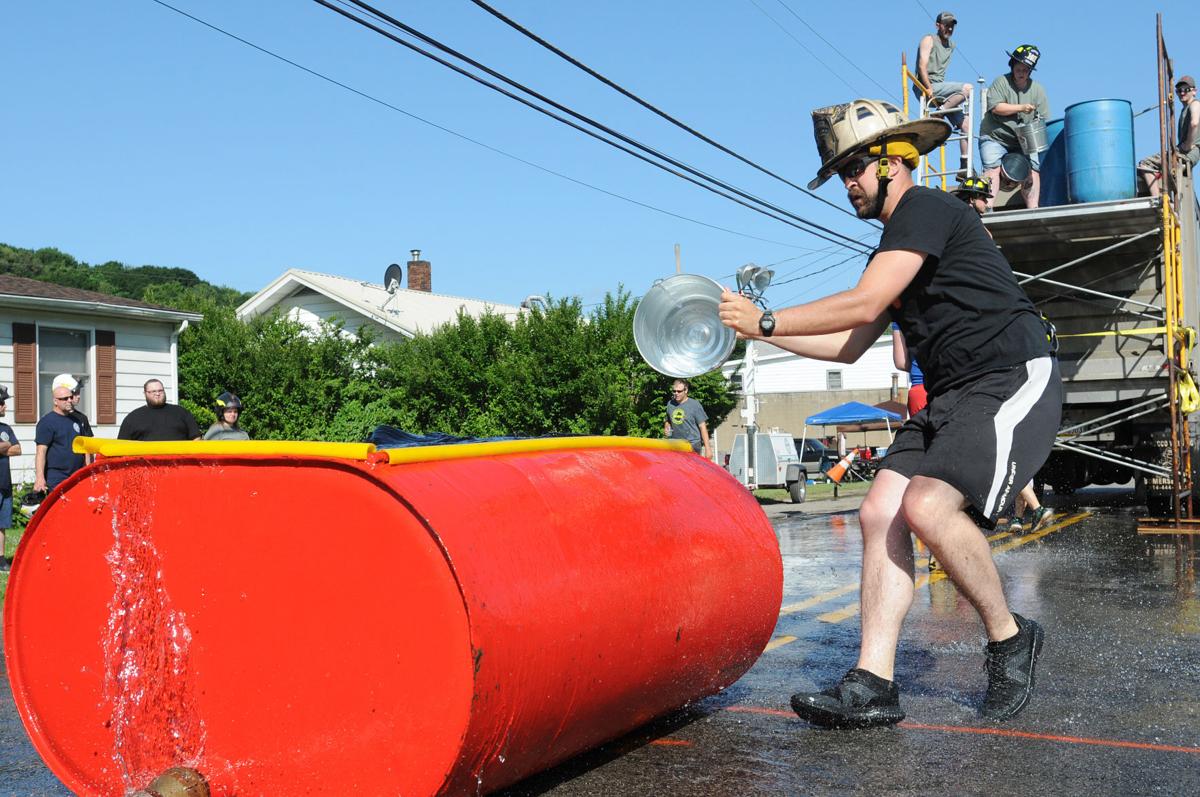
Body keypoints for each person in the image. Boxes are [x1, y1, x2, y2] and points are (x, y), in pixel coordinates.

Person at [720, 98, 1061, 727]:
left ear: (894, 162)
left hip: (1010, 375)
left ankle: (1011, 637)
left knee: (927, 505)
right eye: (841, 173)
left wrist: (766, 317)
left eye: (855, 169)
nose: (848, 184)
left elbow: (863, 302)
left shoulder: (927, 209)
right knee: (879, 509)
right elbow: (848, 343)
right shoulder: (897, 242)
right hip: (954, 393)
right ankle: (874, 683)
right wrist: (761, 336)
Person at [949, 183, 1055, 535]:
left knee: (985, 450)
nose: (984, 203)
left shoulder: (971, 230)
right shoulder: (973, 227)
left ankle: (1015, 512)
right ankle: (1023, 513)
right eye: (979, 198)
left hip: (988, 368)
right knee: (1005, 450)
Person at [979, 45, 1049, 210]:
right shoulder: (1001, 82)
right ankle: (988, 210)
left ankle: (1033, 210)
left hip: (1023, 139)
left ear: (1030, 71)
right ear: (1012, 65)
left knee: (1033, 169)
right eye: (1019, 67)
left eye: (1026, 69)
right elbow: (996, 107)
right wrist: (1022, 107)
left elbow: (1043, 120)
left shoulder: (1038, 90)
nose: (1022, 71)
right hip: (995, 136)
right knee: (992, 168)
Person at [914, 11, 972, 172]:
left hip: (939, 88)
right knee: (968, 88)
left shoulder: (951, 46)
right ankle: (939, 113)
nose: (949, 28)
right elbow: (921, 66)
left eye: (952, 25)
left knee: (965, 125)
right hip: (925, 85)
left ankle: (964, 166)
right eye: (946, 25)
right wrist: (928, 88)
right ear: (938, 25)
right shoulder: (928, 39)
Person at [1137, 75, 1200, 197]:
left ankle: (1159, 199)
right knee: (1151, 168)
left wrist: (1188, 144)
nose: (1182, 93)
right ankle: (1160, 196)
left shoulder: (1195, 104)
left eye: (1186, 89)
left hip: (1187, 152)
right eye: (1179, 90)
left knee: (1145, 164)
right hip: (1183, 151)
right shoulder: (1185, 109)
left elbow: (1194, 123)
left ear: (1194, 91)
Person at [35, 383, 86, 498]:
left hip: (76, 476)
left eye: (71, 397)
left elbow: (84, 448)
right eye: (64, 398)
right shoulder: (47, 422)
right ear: (55, 401)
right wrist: (40, 478)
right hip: (57, 478)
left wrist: (86, 470)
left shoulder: (76, 421)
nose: (69, 400)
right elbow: (41, 452)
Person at [118, 379, 201, 441]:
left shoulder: (181, 412)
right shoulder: (133, 418)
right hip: (145, 463)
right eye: (153, 391)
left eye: (160, 390)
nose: (157, 394)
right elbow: (122, 445)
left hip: (179, 462)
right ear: (145, 393)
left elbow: (196, 439)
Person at [0, 386, 22, 570]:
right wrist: (7, 446)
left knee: (2, 524)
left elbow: (18, 449)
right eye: (2, 403)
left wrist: (5, 445)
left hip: (4, 482)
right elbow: (10, 447)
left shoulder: (6, 428)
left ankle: (1, 560)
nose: (5, 407)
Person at [663, 379, 710, 458]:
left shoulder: (695, 405)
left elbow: (703, 427)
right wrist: (666, 427)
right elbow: (668, 421)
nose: (676, 394)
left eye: (679, 391)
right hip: (675, 444)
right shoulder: (670, 404)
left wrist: (708, 448)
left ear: (686, 390)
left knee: (692, 470)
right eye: (674, 391)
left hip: (692, 445)